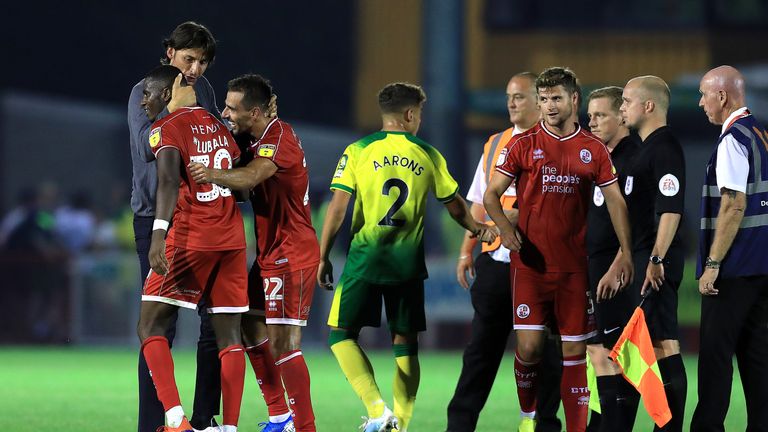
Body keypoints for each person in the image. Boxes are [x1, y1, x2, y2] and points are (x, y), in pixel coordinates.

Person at [316, 82, 495, 432]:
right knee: (406, 343)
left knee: (340, 335)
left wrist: (323, 255)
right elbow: (455, 205)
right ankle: (402, 422)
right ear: (411, 114)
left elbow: (337, 207)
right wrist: (477, 229)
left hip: (365, 258)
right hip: (407, 264)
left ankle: (377, 409)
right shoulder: (427, 153)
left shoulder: (358, 150)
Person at [484, 67, 634, 432]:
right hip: (531, 266)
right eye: (545, 99)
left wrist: (626, 252)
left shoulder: (593, 149)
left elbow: (615, 201)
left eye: (556, 98)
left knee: (574, 353)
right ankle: (527, 416)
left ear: (574, 99)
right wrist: (504, 229)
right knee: (531, 348)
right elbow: (491, 195)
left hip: (574, 269)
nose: (549, 106)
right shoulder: (523, 145)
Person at [189, 74, 319, 432]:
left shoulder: (278, 139)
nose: (226, 113)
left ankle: (304, 426)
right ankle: (279, 416)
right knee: (248, 323)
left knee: (284, 343)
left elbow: (248, 179)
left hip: (291, 254)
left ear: (256, 112)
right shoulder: (259, 136)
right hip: (270, 252)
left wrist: (210, 173)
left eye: (233, 108)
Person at [446, 72, 561, 432]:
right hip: (496, 263)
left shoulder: (557, 145)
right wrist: (468, 249)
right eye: (509, 96)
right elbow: (478, 203)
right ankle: (459, 425)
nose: (511, 103)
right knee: (480, 351)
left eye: (520, 97)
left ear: (540, 102)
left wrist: (512, 215)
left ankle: (543, 423)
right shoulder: (496, 143)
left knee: (544, 352)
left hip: (539, 264)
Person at [137, 65, 247, 432]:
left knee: (150, 324)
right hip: (230, 238)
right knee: (229, 335)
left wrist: (158, 235)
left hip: (190, 236)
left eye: (148, 94)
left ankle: (175, 421)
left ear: (166, 94)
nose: (143, 101)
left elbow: (168, 181)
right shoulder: (219, 127)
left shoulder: (168, 127)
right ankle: (228, 427)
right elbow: (238, 180)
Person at [127, 21, 222, 432]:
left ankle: (203, 419)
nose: (196, 68)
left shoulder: (207, 93)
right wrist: (174, 108)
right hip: (155, 220)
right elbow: (147, 147)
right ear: (169, 53)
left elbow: (217, 144)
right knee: (157, 326)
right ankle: (153, 424)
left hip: (202, 219)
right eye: (189, 58)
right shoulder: (143, 91)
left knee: (216, 322)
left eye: (202, 61)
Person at [691, 65, 768, 431]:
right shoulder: (760, 133)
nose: (701, 102)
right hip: (762, 267)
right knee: (758, 359)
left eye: (704, 94)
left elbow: (734, 204)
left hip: (734, 270)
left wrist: (712, 262)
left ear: (722, 96)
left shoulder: (733, 139)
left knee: (715, 358)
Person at [619, 75, 687, 431]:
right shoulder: (644, 148)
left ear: (649, 106)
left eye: (627, 100)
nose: (622, 107)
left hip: (656, 261)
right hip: (647, 258)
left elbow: (671, 207)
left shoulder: (664, 147)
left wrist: (656, 258)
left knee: (664, 343)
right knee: (654, 344)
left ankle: (670, 427)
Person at [584, 86, 641, 432]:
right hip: (594, 267)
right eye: (590, 116)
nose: (592, 122)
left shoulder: (633, 158)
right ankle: (601, 423)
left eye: (600, 115)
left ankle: (615, 426)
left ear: (622, 115)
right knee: (597, 351)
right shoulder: (599, 158)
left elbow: (637, 218)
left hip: (614, 270)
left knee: (616, 353)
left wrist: (621, 260)